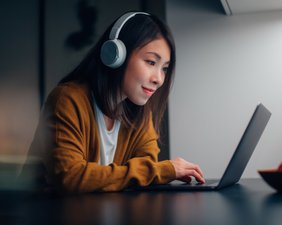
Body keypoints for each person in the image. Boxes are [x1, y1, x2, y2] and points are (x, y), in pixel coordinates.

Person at [24, 11, 205, 193]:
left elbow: (146, 168)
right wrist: (163, 170)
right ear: (115, 55)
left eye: (164, 68)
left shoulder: (141, 114)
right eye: (151, 62)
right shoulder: (67, 100)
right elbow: (71, 176)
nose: (159, 79)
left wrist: (146, 172)